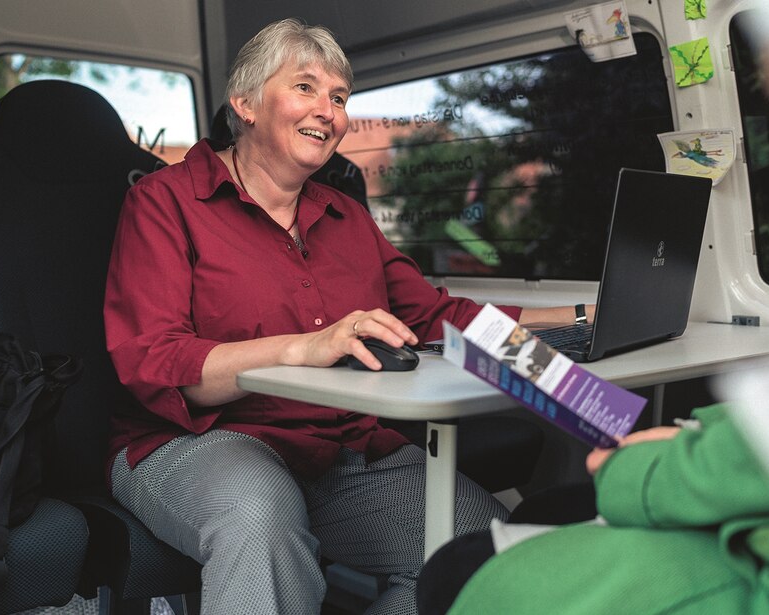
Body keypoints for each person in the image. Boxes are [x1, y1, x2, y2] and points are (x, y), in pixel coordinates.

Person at [103, 18, 591, 615]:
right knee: (259, 513)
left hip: (338, 448)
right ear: (246, 103)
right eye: (306, 87)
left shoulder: (346, 217)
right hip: (197, 443)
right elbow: (155, 362)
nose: (328, 110)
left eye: (339, 97)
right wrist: (299, 348)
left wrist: (580, 315)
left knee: (497, 559)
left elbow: (435, 317)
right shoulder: (163, 201)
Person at [416, 215, 769, 614]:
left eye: (342, 97)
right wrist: (693, 435)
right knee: (543, 508)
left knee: (453, 568)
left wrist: (636, 470)